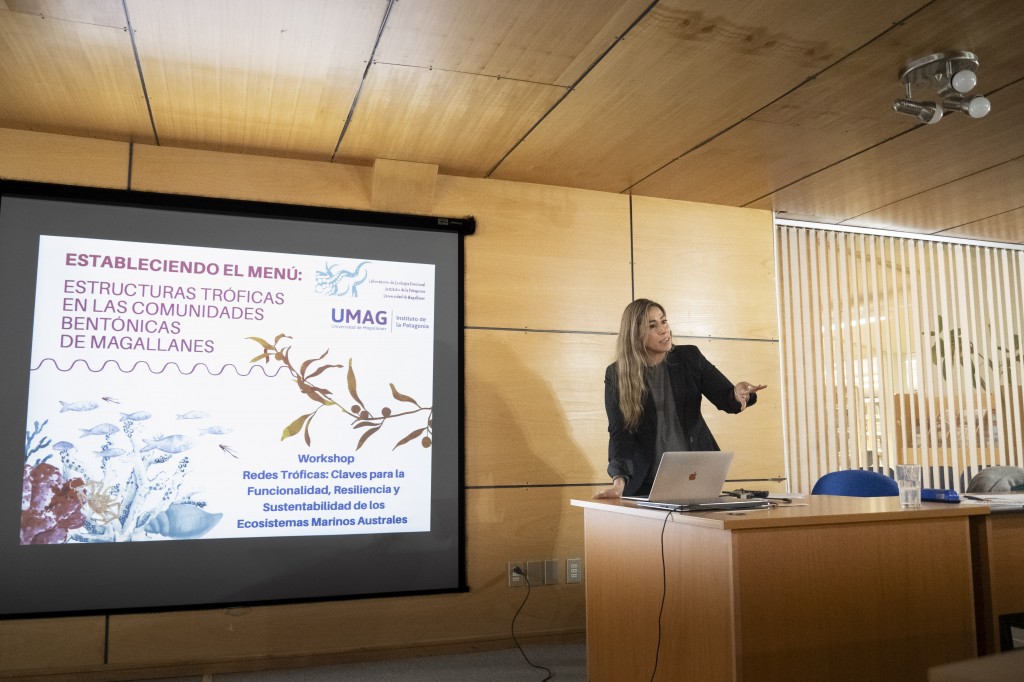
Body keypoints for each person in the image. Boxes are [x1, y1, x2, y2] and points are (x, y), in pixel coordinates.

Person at [594, 298, 766, 499]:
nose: (663, 329)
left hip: (697, 474)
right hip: (646, 482)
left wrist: (740, 394)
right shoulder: (617, 374)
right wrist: (619, 482)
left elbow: (727, 399)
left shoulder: (689, 357)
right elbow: (619, 433)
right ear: (635, 334)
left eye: (664, 321)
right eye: (652, 325)